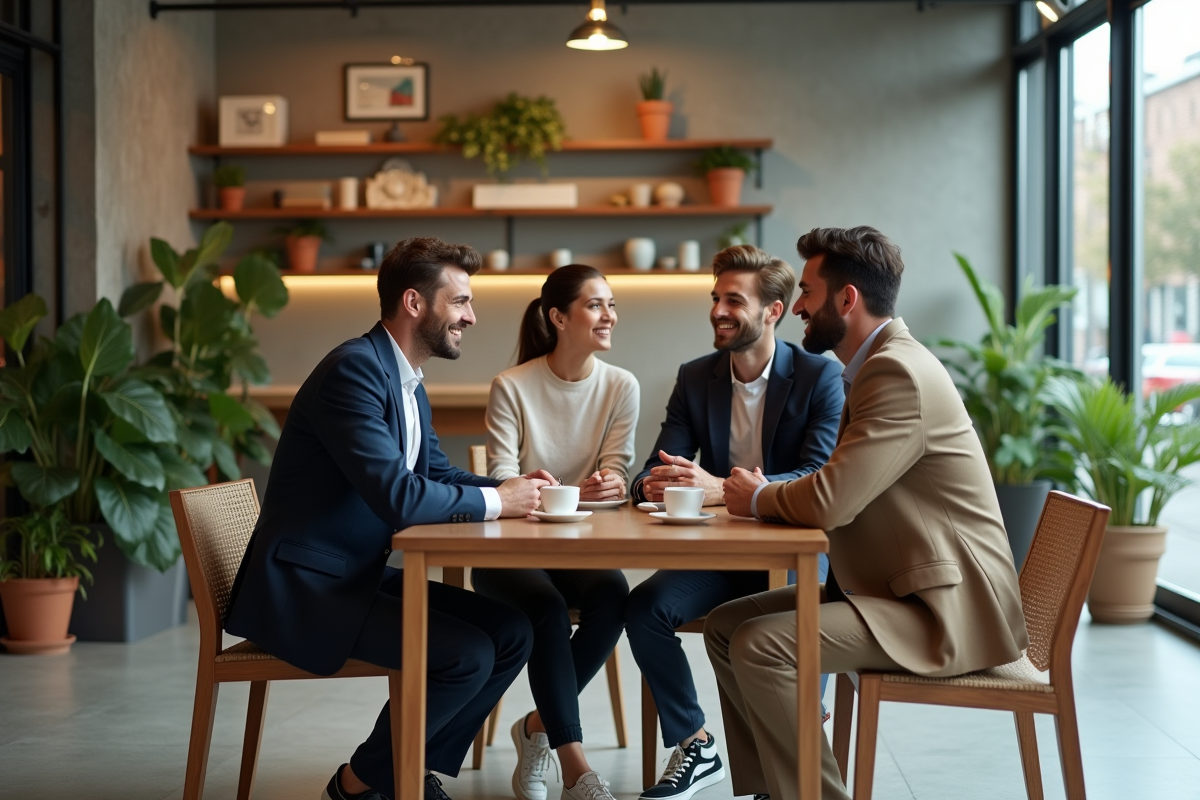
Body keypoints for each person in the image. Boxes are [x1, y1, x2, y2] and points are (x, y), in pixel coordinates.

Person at [224, 237, 552, 800]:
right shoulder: (353, 372)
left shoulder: (404, 378)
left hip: (353, 572)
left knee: (512, 631)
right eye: (460, 302)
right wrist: (502, 503)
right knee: (467, 654)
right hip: (306, 588)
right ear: (414, 303)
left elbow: (435, 473)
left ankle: (405, 771)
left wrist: (514, 489)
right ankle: (356, 786)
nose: (471, 317)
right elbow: (398, 498)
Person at [710, 226, 1029, 800]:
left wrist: (757, 496)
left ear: (847, 299)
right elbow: (840, 486)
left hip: (944, 611)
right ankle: (774, 791)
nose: (798, 307)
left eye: (807, 292)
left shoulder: (895, 373)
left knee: (761, 644)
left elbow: (833, 499)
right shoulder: (876, 365)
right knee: (725, 626)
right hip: (897, 589)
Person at [624, 245, 844, 800]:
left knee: (791, 623)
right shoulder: (695, 377)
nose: (718, 311)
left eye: (734, 301)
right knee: (644, 609)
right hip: (722, 557)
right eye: (716, 298)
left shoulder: (820, 375)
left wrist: (721, 488)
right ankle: (696, 743)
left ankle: (785, 762)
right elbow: (655, 468)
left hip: (794, 554)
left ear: (773, 311)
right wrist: (650, 484)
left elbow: (817, 474)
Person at [475, 265, 638, 800]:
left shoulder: (621, 386)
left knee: (614, 596)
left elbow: (617, 471)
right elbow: (502, 478)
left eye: (611, 304)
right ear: (558, 318)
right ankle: (575, 769)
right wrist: (548, 490)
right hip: (510, 552)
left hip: (579, 549)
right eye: (595, 305)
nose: (609, 316)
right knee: (544, 607)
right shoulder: (511, 385)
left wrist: (610, 482)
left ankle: (536, 727)